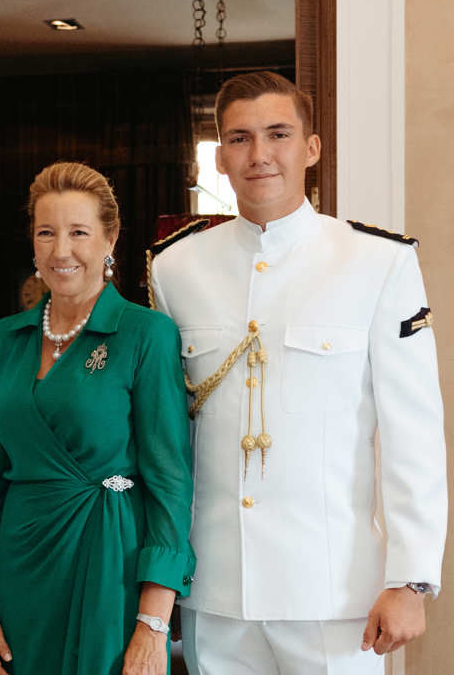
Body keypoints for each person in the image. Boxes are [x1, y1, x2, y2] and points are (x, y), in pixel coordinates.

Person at [149, 71, 446, 674]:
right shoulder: (176, 268)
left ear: (311, 148)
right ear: (220, 156)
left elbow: (413, 433)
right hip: (215, 587)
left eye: (278, 134)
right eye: (239, 138)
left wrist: (412, 579)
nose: (259, 155)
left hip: (335, 592)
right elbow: (167, 436)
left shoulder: (377, 263)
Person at [0, 161, 195, 675]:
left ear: (110, 239)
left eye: (78, 233)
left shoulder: (146, 333)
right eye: (46, 233)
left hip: (108, 560)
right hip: (18, 569)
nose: (60, 250)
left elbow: (171, 483)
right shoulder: (9, 336)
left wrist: (154, 623)